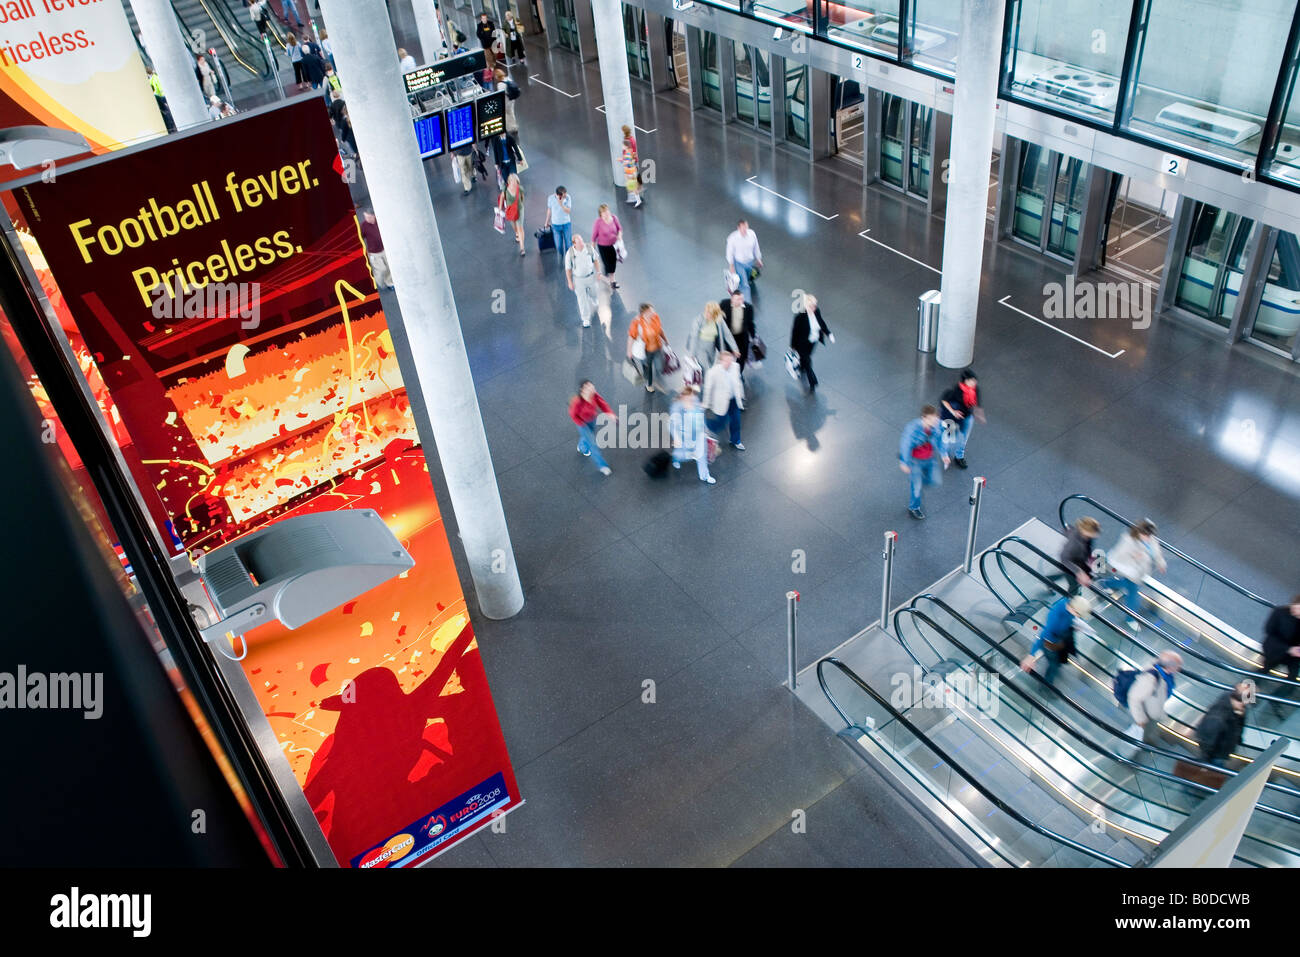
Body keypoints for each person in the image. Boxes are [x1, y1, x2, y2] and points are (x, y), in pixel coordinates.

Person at [1096, 520, 1167, 632]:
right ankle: (1130, 618)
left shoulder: (1151, 539)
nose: (1148, 538)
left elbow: (1156, 552)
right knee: (1133, 593)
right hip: (1130, 571)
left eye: (1149, 535)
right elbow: (1118, 557)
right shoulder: (1128, 541)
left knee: (1126, 584)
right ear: (1139, 532)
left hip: (1139, 571)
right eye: (1145, 535)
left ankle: (1106, 583)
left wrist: (1161, 564)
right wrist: (1133, 556)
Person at [1019, 595, 1093, 686]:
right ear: (1073, 609)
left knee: (1058, 659)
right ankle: (1045, 686)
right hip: (1051, 644)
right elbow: (1043, 635)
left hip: (1060, 639)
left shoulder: (1068, 604)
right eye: (1078, 614)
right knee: (1054, 664)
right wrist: (1031, 656)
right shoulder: (1056, 617)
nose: (1078, 617)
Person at [1119, 651, 1183, 745]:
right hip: (1145, 712)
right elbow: (1134, 698)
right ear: (1170, 667)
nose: (1179, 669)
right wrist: (1140, 720)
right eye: (1178, 666)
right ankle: (1133, 746)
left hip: (1152, 709)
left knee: (1148, 730)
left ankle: (1144, 740)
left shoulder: (1165, 673)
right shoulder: (1150, 679)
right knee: (1138, 734)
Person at [898, 404, 948, 520]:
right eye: (931, 419)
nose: (934, 422)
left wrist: (944, 454)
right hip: (915, 461)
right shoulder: (912, 428)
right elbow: (905, 445)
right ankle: (914, 507)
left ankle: (916, 481)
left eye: (935, 419)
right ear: (924, 418)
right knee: (917, 487)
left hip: (930, 458)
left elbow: (941, 439)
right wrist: (904, 462)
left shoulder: (938, 425)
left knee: (935, 481)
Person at [1195, 680, 1255, 768]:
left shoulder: (1235, 708)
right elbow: (1208, 739)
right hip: (1216, 753)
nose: (1244, 706)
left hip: (1221, 749)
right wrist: (1205, 758)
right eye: (1243, 703)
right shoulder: (1219, 716)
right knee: (1215, 769)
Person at [1261, 596, 1300, 716]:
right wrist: (1288, 649)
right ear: (1293, 604)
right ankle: (1247, 695)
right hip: (1276, 649)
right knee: (1263, 671)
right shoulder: (1279, 612)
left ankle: (1276, 699)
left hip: (1292, 654)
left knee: (1293, 680)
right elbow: (1269, 633)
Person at [938, 369, 985, 469]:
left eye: (974, 380)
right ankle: (945, 453)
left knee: (964, 438)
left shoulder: (975, 389)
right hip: (953, 418)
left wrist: (979, 414)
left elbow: (976, 403)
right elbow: (944, 401)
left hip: (967, 417)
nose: (974, 382)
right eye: (971, 380)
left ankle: (959, 456)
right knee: (949, 437)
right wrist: (953, 412)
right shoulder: (957, 390)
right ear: (965, 381)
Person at [702, 350, 745, 452]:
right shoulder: (712, 372)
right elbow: (708, 389)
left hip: (733, 400)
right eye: (726, 361)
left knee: (736, 421)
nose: (729, 363)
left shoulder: (735, 367)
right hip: (721, 402)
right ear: (720, 361)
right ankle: (706, 426)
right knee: (721, 423)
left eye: (730, 361)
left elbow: (738, 382)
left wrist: (741, 396)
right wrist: (705, 404)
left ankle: (736, 440)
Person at [670, 387, 714, 484]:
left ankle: (705, 476)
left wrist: (705, 429)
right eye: (688, 397)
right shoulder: (677, 407)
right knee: (683, 454)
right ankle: (676, 458)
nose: (691, 398)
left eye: (692, 396)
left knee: (702, 455)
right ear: (682, 397)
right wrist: (677, 438)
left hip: (698, 435)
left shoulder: (695, 401)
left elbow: (701, 416)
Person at [789, 292, 831, 394]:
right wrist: (792, 345)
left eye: (815, 305)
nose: (814, 308)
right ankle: (813, 381)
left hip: (813, 341)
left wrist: (828, 333)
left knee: (806, 358)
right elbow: (794, 331)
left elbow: (821, 322)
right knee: (807, 361)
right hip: (802, 343)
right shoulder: (800, 317)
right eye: (812, 306)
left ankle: (802, 366)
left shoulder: (816, 311)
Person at [569, 380, 613, 476]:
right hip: (582, 424)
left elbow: (602, 403)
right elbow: (573, 415)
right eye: (588, 387)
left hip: (592, 420)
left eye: (592, 386)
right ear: (583, 390)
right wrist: (581, 424)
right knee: (592, 444)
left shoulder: (594, 395)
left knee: (589, 436)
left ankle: (582, 446)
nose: (592, 389)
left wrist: (610, 413)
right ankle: (603, 466)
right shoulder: (577, 402)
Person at [685, 302, 738, 372]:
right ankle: (705, 378)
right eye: (706, 311)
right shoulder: (699, 320)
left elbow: (727, 334)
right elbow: (694, 336)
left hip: (711, 348)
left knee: (710, 367)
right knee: (705, 368)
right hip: (700, 346)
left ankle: (706, 378)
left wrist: (735, 349)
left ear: (715, 314)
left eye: (709, 313)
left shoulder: (719, 320)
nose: (707, 314)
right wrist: (692, 354)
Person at [1058, 516, 1102, 596]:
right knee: (1073, 583)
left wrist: (1089, 559)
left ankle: (1051, 578)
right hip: (1072, 562)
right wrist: (1079, 573)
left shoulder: (1087, 537)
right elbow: (1064, 558)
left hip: (1080, 559)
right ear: (1085, 531)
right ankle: (1072, 597)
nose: (1094, 537)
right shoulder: (1073, 543)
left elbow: (1088, 547)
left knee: (1065, 574)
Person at [564, 234, 601, 328]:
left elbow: (596, 260)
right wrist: (569, 282)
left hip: (590, 276)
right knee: (582, 300)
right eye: (579, 242)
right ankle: (585, 319)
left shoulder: (589, 248)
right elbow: (568, 269)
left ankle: (594, 299)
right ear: (574, 244)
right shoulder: (570, 253)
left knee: (594, 293)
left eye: (582, 240)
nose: (582, 243)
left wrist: (598, 272)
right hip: (578, 280)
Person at [628, 304, 666, 393]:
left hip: (657, 347)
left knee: (659, 366)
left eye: (653, 310)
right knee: (648, 370)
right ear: (644, 313)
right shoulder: (636, 323)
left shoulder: (655, 317)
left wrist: (665, 340)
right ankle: (649, 384)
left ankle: (657, 378)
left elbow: (660, 329)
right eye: (650, 311)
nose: (653, 312)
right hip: (645, 352)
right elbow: (631, 337)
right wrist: (629, 351)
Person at [718, 290, 755, 376]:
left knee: (741, 359)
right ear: (732, 299)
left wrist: (753, 336)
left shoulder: (748, 307)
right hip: (728, 337)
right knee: (726, 357)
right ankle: (725, 374)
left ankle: (738, 374)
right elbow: (717, 315)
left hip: (742, 338)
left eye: (742, 299)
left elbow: (750, 323)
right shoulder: (724, 304)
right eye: (738, 299)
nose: (740, 301)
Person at [725, 219, 762, 303]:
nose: (745, 230)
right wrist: (731, 265)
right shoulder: (733, 238)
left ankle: (743, 283)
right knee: (745, 285)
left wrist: (758, 258)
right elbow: (729, 252)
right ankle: (747, 303)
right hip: (739, 263)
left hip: (750, 262)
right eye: (743, 228)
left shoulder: (752, 234)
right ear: (738, 228)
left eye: (746, 227)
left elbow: (756, 247)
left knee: (749, 278)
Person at [591, 204, 623, 289]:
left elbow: (619, 229)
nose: (606, 213)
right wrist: (592, 249)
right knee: (608, 263)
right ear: (600, 214)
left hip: (614, 245)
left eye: (607, 211)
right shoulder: (598, 222)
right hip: (603, 247)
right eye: (604, 212)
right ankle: (612, 281)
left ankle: (609, 274)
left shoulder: (614, 218)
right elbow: (594, 236)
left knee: (613, 263)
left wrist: (619, 235)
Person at [359, 211, 393, 290]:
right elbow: (360, 237)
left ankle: (389, 283)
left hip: (384, 250)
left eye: (369, 217)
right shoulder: (364, 226)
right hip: (374, 253)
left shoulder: (379, 221)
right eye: (365, 216)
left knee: (389, 267)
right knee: (381, 269)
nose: (367, 219)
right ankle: (381, 284)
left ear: (374, 215)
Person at [500, 172, 525, 256]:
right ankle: (517, 233)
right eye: (513, 181)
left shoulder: (520, 188)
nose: (514, 183)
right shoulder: (505, 189)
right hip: (510, 211)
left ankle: (522, 248)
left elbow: (522, 198)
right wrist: (500, 209)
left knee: (520, 227)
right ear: (509, 181)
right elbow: (502, 197)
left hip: (519, 209)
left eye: (516, 181)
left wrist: (520, 205)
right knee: (514, 226)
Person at [545, 185, 573, 256]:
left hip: (566, 224)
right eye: (563, 196)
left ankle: (568, 258)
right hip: (556, 225)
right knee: (558, 245)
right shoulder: (551, 198)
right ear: (558, 195)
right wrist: (546, 222)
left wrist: (561, 204)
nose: (565, 196)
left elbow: (568, 211)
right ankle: (561, 256)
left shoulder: (568, 197)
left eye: (565, 194)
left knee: (568, 244)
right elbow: (549, 210)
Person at [494, 67, 521, 139]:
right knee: (511, 112)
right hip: (512, 99)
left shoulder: (500, 84)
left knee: (507, 113)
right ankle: (513, 126)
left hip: (506, 101)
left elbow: (501, 95)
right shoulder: (508, 79)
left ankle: (511, 127)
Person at [621, 125, 642, 207]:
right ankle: (637, 193)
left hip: (630, 165)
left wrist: (626, 162)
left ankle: (633, 197)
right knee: (635, 179)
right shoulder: (632, 139)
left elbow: (631, 154)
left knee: (631, 181)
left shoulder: (628, 141)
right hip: (633, 162)